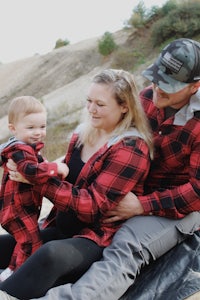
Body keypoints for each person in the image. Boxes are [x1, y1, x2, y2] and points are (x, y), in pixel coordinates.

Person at [26, 37, 200, 300]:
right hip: (133, 184)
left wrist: (142, 205)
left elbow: (196, 192)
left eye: (169, 85)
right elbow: (110, 137)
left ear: (194, 87)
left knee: (128, 244)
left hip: (180, 204)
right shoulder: (146, 98)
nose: (157, 89)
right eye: (156, 78)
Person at [0, 69, 153, 299]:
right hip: (60, 225)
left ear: (124, 107)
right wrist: (24, 166)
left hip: (95, 237)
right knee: (6, 245)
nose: (91, 109)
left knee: (50, 255)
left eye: (100, 104)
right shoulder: (82, 134)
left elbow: (91, 206)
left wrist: (36, 180)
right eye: (89, 101)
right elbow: (61, 175)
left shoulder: (131, 148)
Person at [0, 96, 69, 282]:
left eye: (42, 127)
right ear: (13, 128)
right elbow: (30, 171)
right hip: (17, 209)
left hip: (19, 207)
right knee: (32, 243)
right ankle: (17, 279)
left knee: (24, 242)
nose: (38, 132)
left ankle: (10, 270)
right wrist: (55, 168)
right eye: (31, 128)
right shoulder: (20, 150)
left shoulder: (21, 147)